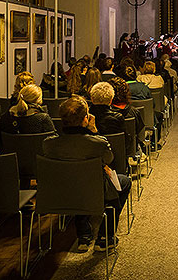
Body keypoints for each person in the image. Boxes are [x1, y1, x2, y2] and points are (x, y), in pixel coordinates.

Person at [43, 95, 131, 252]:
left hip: (59, 194)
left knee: (76, 181)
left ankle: (84, 235)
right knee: (123, 182)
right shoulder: (97, 143)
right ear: (85, 119)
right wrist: (94, 131)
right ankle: (105, 237)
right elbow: (108, 158)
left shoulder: (48, 144)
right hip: (92, 192)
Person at [88, 82, 133, 156]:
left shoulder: (86, 117)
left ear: (92, 99)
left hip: (92, 156)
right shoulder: (117, 118)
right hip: (118, 158)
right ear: (111, 101)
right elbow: (127, 143)